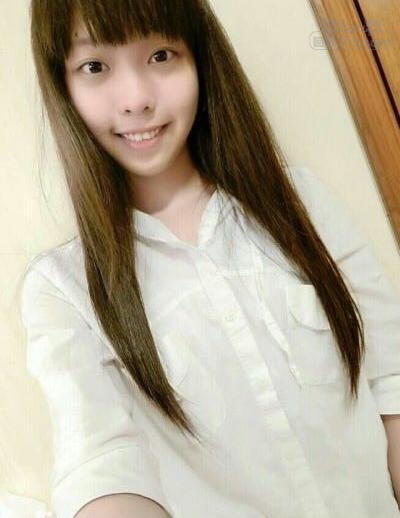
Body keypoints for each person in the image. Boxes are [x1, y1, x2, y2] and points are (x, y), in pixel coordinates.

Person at [20, 1, 400, 517]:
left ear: (198, 56)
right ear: (63, 84)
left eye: (160, 55)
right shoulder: (62, 289)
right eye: (95, 66)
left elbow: (391, 380)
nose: (136, 99)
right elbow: (100, 462)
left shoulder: (303, 204)